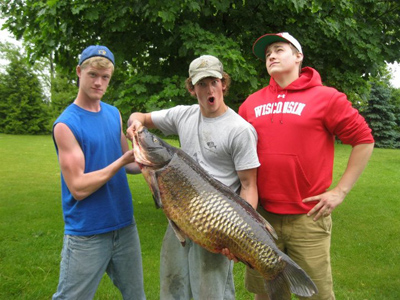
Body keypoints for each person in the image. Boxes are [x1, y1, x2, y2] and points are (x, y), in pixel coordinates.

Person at [238, 32, 375, 300]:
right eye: (268, 54)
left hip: (308, 218)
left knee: (315, 294)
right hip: (262, 218)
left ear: (299, 56)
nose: (272, 56)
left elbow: (364, 140)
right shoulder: (251, 104)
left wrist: (340, 191)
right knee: (267, 293)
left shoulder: (327, 98)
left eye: (279, 50)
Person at [126, 55, 260, 300]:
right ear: (191, 88)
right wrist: (134, 125)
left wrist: (240, 234)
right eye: (201, 84)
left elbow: (249, 186)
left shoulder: (240, 130)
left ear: (223, 84)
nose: (209, 89)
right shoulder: (182, 115)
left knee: (211, 293)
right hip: (179, 217)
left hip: (217, 224)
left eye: (214, 82)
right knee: (172, 287)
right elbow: (140, 116)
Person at [52, 45, 146, 300]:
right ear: (79, 71)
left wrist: (149, 155)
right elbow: (78, 187)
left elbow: (130, 165)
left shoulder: (113, 114)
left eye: (105, 77)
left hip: (125, 226)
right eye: (93, 75)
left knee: (137, 296)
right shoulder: (66, 124)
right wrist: (121, 161)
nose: (99, 82)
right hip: (87, 232)